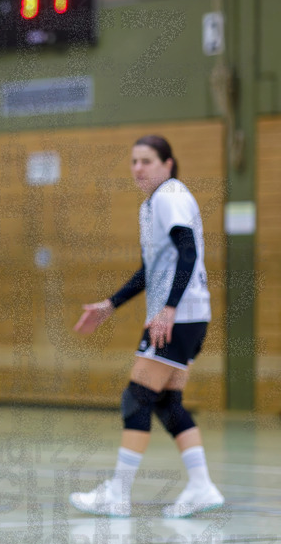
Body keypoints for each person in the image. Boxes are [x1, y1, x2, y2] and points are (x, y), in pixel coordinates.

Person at [70, 135, 224, 519]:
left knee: (137, 397)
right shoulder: (153, 204)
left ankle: (117, 494)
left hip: (180, 316)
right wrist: (111, 304)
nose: (138, 168)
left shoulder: (170, 196)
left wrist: (169, 308)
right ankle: (201, 485)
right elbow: (150, 270)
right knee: (167, 403)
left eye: (147, 161)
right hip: (190, 316)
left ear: (167, 164)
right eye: (134, 161)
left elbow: (187, 250)